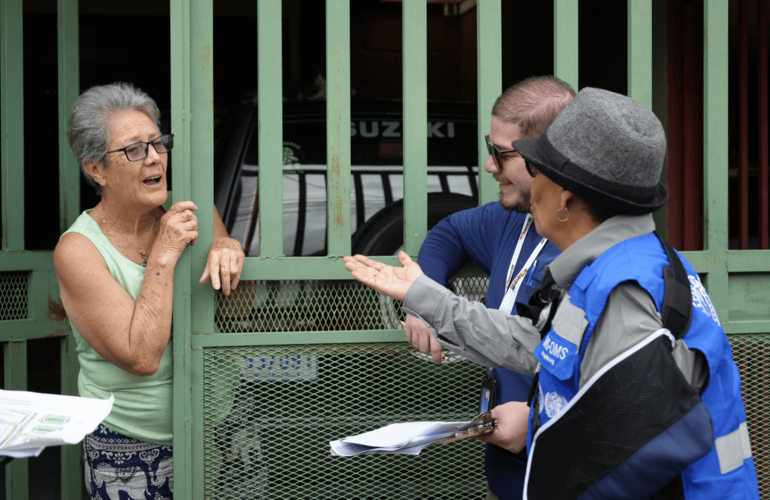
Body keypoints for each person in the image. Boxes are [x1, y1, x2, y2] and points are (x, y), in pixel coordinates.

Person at [345, 88, 760, 499]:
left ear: (564, 199)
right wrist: (426, 297)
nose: (521, 179)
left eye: (537, 170)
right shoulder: (619, 266)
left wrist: (537, 426)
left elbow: (630, 453)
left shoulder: (625, 292)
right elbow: (547, 349)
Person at [54, 82, 245, 499]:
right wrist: (164, 254)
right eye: (134, 150)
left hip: (221, 421)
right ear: (96, 169)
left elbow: (234, 311)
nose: (155, 157)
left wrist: (229, 248)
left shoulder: (189, 209)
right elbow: (140, 356)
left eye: (158, 143)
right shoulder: (77, 249)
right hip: (132, 443)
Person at [404, 76, 572, 500]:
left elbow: (613, 387)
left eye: (500, 153)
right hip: (506, 473)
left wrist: (534, 421)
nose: (489, 165)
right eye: (489, 148)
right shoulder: (514, 219)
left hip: (565, 476)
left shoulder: (593, 255)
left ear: (544, 156)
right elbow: (448, 233)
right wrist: (422, 295)